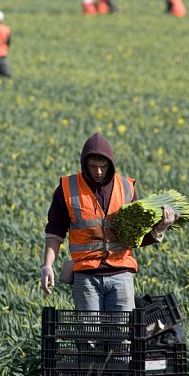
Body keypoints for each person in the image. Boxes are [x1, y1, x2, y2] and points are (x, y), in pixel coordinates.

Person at [39, 132, 176, 311]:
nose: (98, 172)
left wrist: (161, 227)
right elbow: (55, 233)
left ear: (110, 164)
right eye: (93, 166)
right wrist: (47, 265)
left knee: (121, 335)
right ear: (84, 164)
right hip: (85, 275)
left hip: (121, 274)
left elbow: (136, 238)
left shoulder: (126, 188)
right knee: (90, 335)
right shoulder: (67, 189)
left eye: (103, 166)